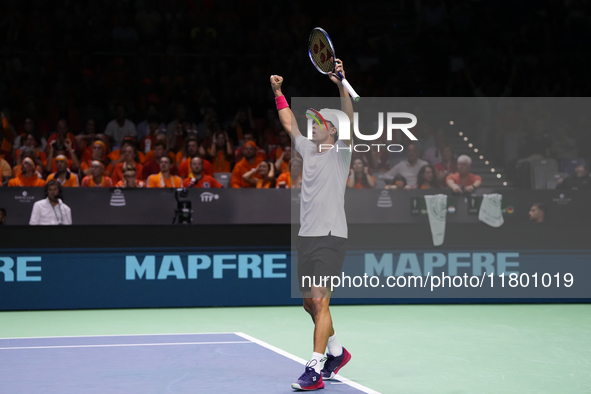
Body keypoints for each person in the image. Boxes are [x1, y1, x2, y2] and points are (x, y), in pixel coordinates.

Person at [271, 58, 352, 391]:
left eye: (318, 122)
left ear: (331, 130)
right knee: (310, 304)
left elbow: (347, 119)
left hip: (331, 237)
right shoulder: (307, 148)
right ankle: (336, 352)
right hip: (306, 237)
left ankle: (315, 369)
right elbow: (289, 122)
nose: (313, 126)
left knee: (320, 301)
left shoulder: (340, 152)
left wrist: (340, 85)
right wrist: (278, 92)